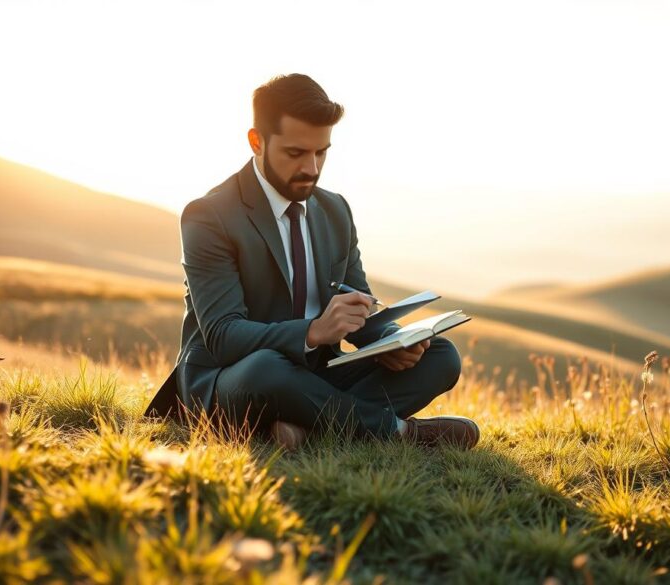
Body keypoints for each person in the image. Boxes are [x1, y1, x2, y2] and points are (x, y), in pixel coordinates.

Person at [145, 74, 478, 451]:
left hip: (317, 377)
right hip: (235, 381)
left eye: (322, 152)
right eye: (295, 153)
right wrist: (312, 332)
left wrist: (393, 342)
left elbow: (359, 310)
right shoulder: (209, 216)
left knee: (441, 355)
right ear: (257, 141)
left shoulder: (335, 210)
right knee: (266, 369)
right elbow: (223, 336)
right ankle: (400, 433)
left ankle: (303, 428)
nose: (312, 167)